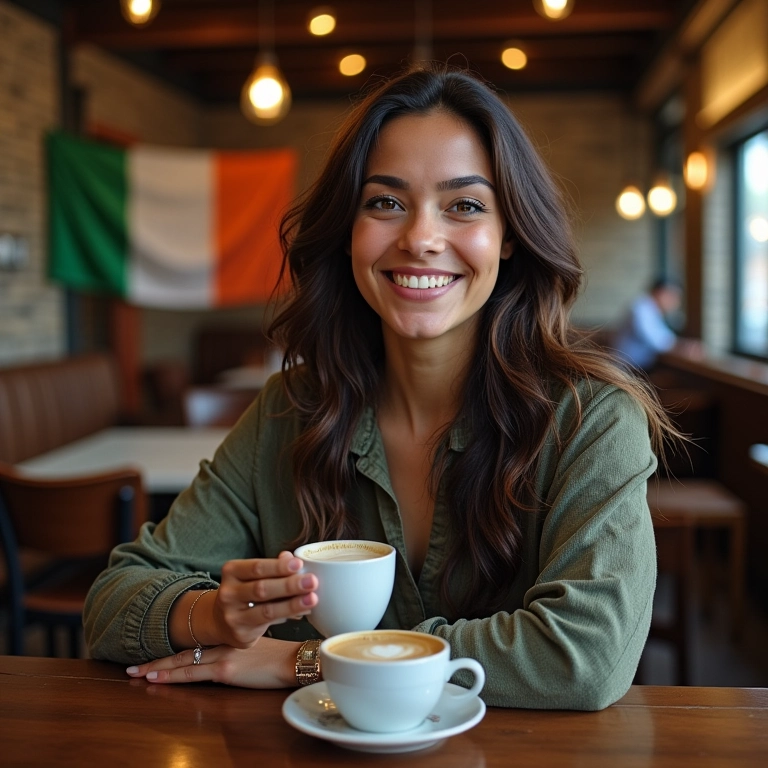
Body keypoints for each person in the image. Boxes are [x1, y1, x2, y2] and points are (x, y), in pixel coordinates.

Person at [84, 65, 676, 711]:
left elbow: (583, 659)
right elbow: (112, 602)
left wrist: (305, 660)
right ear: (348, 232)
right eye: (385, 202)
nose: (421, 238)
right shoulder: (287, 413)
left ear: (508, 236)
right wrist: (215, 616)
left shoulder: (591, 421)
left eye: (465, 205)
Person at [612, 279, 684, 372]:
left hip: (637, 369)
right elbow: (657, 341)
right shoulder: (640, 307)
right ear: (660, 293)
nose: (676, 303)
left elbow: (665, 336)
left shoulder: (653, 309)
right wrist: (682, 347)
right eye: (673, 296)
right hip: (626, 370)